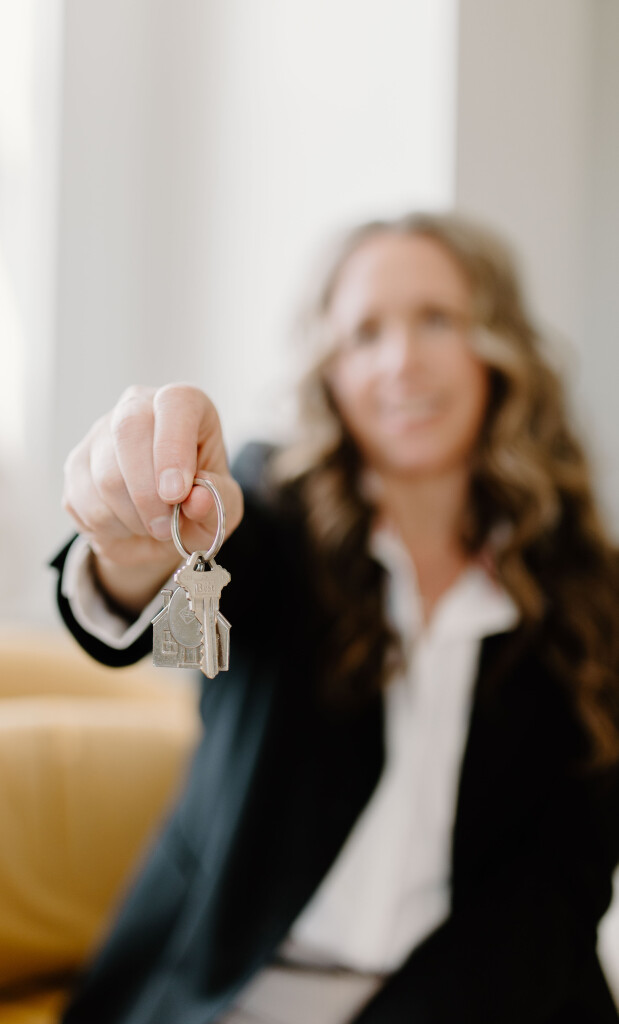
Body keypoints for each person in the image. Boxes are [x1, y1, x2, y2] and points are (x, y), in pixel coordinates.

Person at [50, 211, 619, 1023]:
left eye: (436, 319)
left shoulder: (587, 588)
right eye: (364, 334)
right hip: (227, 988)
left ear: (497, 348)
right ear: (331, 372)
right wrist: (132, 542)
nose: (401, 360)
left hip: (477, 1006)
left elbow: (561, 885)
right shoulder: (268, 511)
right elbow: (154, 581)